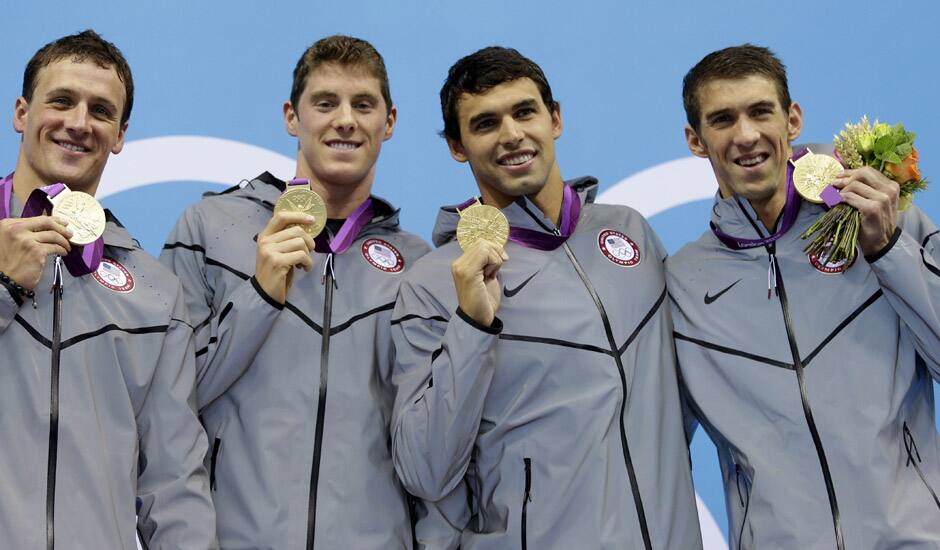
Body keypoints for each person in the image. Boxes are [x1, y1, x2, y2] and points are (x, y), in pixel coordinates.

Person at [391, 46, 702, 549]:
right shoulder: (433, 282)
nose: (512, 135)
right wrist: (472, 324)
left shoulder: (630, 232)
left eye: (525, 112)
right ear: (457, 145)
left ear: (555, 119)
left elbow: (675, 399)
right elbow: (425, 470)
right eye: (486, 123)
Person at [161, 35, 430, 548]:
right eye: (325, 103)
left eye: (363, 104)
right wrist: (260, 293)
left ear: (389, 122)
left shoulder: (419, 265)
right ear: (292, 116)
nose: (345, 120)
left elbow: (431, 441)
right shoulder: (207, 228)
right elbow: (173, 400)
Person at [668, 44, 940, 549]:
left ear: (792, 120)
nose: (746, 135)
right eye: (722, 119)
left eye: (760, 111)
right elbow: (652, 451)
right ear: (695, 140)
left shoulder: (882, 220)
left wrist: (887, 251)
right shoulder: (681, 284)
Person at [0, 30, 216, 549]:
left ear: (119, 135)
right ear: (22, 113)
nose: (78, 123)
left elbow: (174, 482)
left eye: (101, 110)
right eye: (62, 101)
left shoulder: (154, 291)